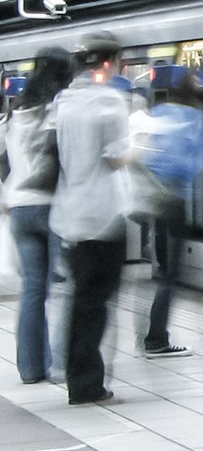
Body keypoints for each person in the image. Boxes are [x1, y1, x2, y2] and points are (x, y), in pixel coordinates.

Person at [49, 45, 131, 405]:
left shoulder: (62, 102)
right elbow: (115, 158)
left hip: (71, 212)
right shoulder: (109, 102)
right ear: (110, 63)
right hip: (103, 214)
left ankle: (76, 375)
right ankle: (87, 383)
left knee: (80, 298)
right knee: (95, 302)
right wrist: (138, 148)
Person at [1, 49, 75, 385]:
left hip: (20, 208)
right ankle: (64, 362)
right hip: (53, 206)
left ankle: (31, 368)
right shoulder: (58, 111)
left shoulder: (14, 114)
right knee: (71, 287)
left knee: (33, 290)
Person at [128, 76, 203, 358]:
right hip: (174, 199)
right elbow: (197, 161)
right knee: (169, 274)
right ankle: (156, 338)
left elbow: (144, 154)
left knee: (162, 269)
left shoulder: (158, 113)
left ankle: (151, 332)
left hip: (153, 198)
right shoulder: (195, 120)